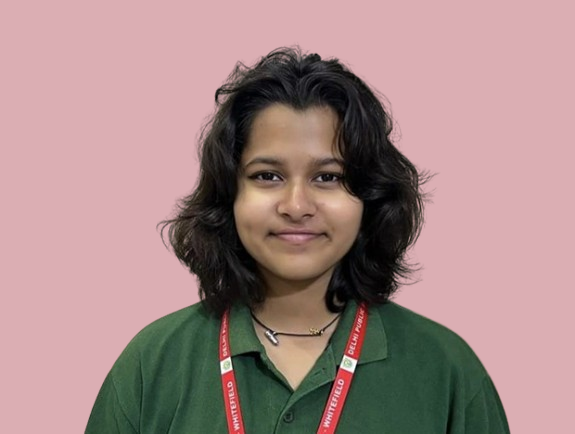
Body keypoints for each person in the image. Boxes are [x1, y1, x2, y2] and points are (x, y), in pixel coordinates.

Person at [86, 47, 510, 433]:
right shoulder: (152, 364)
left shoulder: (447, 370)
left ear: (370, 196)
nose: (296, 205)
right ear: (229, 194)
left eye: (328, 177)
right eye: (267, 176)